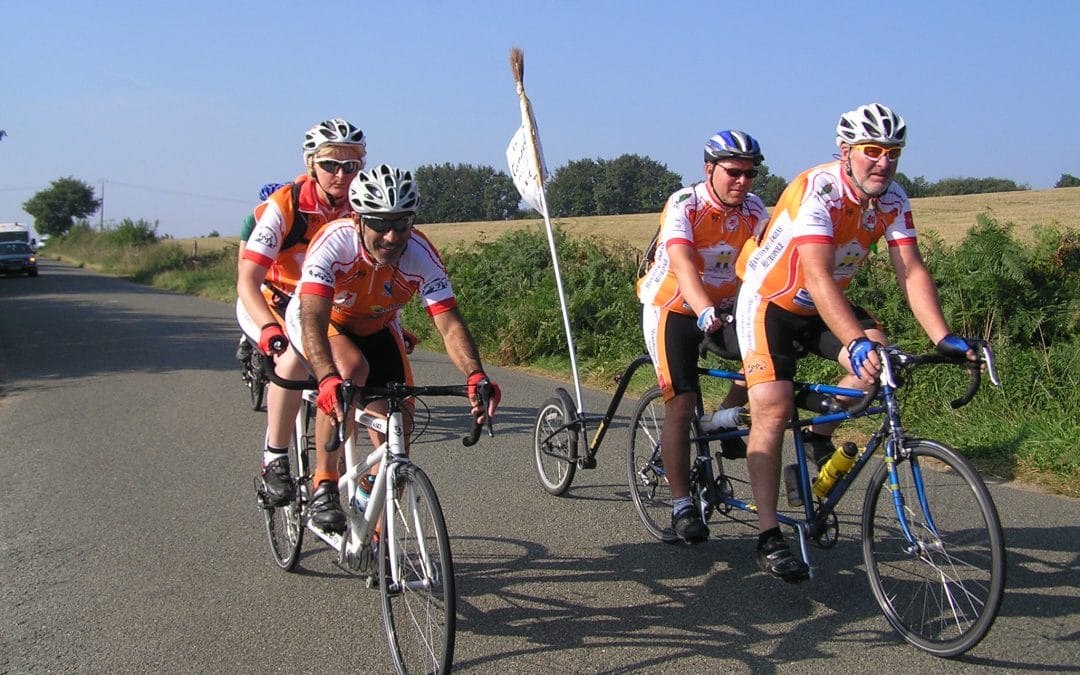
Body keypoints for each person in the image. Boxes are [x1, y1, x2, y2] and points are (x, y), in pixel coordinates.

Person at [734, 103, 975, 581]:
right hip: (771, 304)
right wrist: (853, 340)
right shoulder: (817, 189)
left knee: (878, 364)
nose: (883, 163)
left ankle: (816, 435)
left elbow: (911, 270)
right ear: (846, 152)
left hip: (822, 304)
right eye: (872, 151)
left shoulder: (893, 198)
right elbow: (818, 276)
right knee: (773, 404)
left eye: (893, 153)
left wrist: (943, 337)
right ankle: (768, 535)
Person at [285, 163, 501, 534]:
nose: (390, 236)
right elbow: (314, 321)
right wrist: (325, 378)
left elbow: (449, 325)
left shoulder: (420, 254)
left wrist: (475, 374)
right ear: (358, 220)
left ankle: (379, 538)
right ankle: (323, 483)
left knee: (398, 433)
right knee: (351, 372)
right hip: (323, 322)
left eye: (401, 223)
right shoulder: (334, 243)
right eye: (379, 224)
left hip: (377, 327)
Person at [636, 130, 769, 544]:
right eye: (734, 172)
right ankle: (681, 506)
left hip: (725, 306)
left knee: (765, 364)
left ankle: (724, 420)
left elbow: (767, 263)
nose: (743, 182)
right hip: (673, 307)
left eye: (750, 174)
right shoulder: (684, 204)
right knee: (682, 402)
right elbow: (682, 263)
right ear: (709, 169)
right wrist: (704, 308)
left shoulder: (754, 209)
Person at [237, 118, 367, 509]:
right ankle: (274, 457)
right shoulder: (285, 206)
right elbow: (246, 280)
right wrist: (265, 331)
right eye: (330, 164)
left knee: (354, 370)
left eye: (351, 166)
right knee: (293, 356)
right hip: (271, 298)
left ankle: (338, 471)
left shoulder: (360, 206)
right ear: (311, 164)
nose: (341, 175)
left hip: (324, 305)